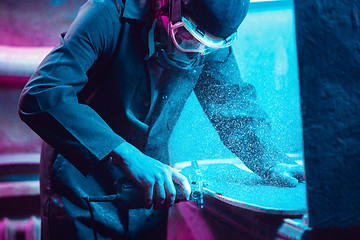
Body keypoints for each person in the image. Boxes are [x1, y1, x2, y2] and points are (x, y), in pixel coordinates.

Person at [18, 0, 304, 239]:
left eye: (207, 46)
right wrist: (128, 156)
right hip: (80, 183)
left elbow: (231, 103)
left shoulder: (208, 38)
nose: (196, 51)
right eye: (187, 36)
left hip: (151, 189)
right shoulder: (108, 13)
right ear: (170, 5)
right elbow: (41, 94)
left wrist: (269, 160)